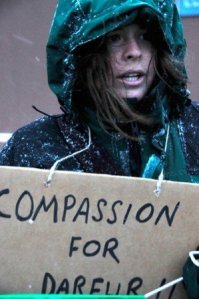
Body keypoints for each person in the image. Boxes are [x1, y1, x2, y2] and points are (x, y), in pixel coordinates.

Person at [0, 0, 198, 297]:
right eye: (115, 37)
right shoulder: (34, 148)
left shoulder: (193, 133)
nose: (134, 52)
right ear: (83, 52)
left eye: (145, 35)